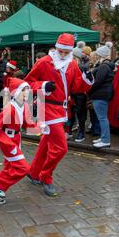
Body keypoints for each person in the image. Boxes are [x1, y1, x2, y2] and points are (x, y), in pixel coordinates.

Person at [24, 33, 94, 197]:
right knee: (61, 148)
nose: (62, 54)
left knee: (46, 143)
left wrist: (88, 78)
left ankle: (34, 172)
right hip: (47, 109)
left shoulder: (72, 64)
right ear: (56, 48)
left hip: (62, 110)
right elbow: (28, 83)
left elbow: (76, 87)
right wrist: (43, 85)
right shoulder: (44, 62)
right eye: (60, 51)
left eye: (66, 52)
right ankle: (46, 176)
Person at [0, 77, 47, 205]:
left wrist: (40, 129)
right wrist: (8, 144)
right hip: (8, 141)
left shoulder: (23, 105)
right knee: (24, 168)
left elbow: (26, 123)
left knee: (10, 166)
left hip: (16, 138)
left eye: (28, 90)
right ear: (16, 92)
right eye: (24, 91)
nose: (27, 93)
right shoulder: (10, 108)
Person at [88, 42, 115, 149]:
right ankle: (103, 137)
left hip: (100, 95)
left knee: (102, 118)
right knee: (102, 118)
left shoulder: (103, 66)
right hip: (102, 94)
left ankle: (105, 140)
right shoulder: (106, 65)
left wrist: (88, 90)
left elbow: (98, 81)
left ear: (100, 55)